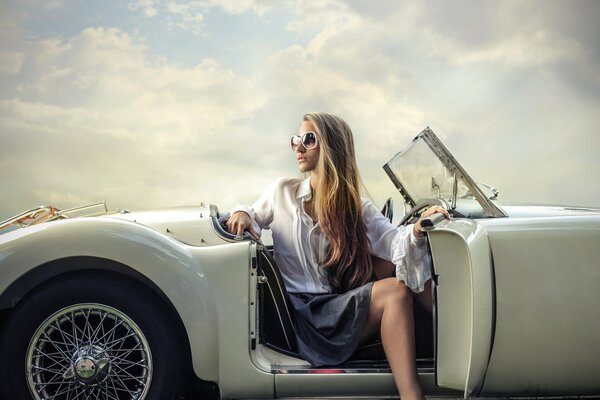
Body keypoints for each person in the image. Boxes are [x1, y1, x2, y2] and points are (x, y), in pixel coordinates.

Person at [226, 112, 449, 400]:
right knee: (396, 289)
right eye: (296, 139)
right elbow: (251, 216)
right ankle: (413, 394)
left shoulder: (356, 206)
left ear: (331, 146)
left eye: (309, 139)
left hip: (335, 308)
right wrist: (240, 211)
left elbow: (396, 244)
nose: (298, 147)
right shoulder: (282, 191)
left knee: (401, 273)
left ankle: (448, 353)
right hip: (299, 317)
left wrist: (418, 228)